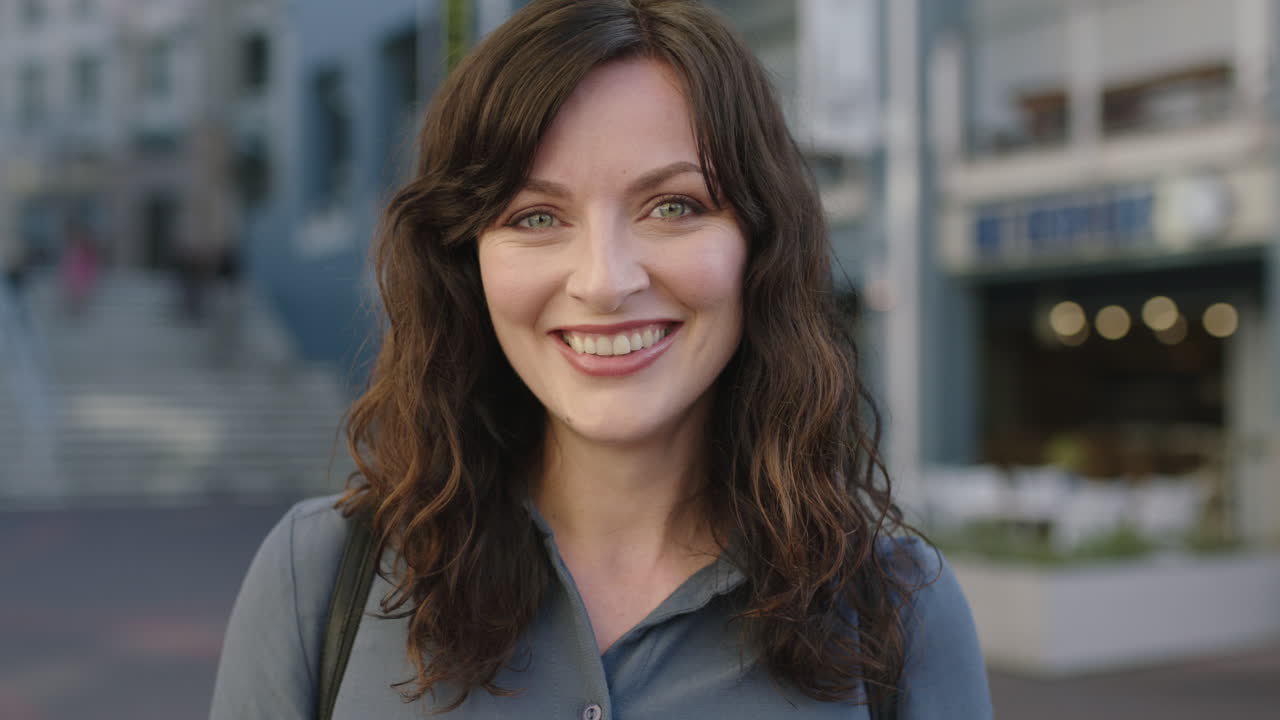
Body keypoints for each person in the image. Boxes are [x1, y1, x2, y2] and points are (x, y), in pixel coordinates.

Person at [210, 1, 992, 718]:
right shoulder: (318, 580)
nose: (605, 282)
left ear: (760, 243)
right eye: (537, 215)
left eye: (674, 206)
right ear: (465, 261)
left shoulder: (899, 611)